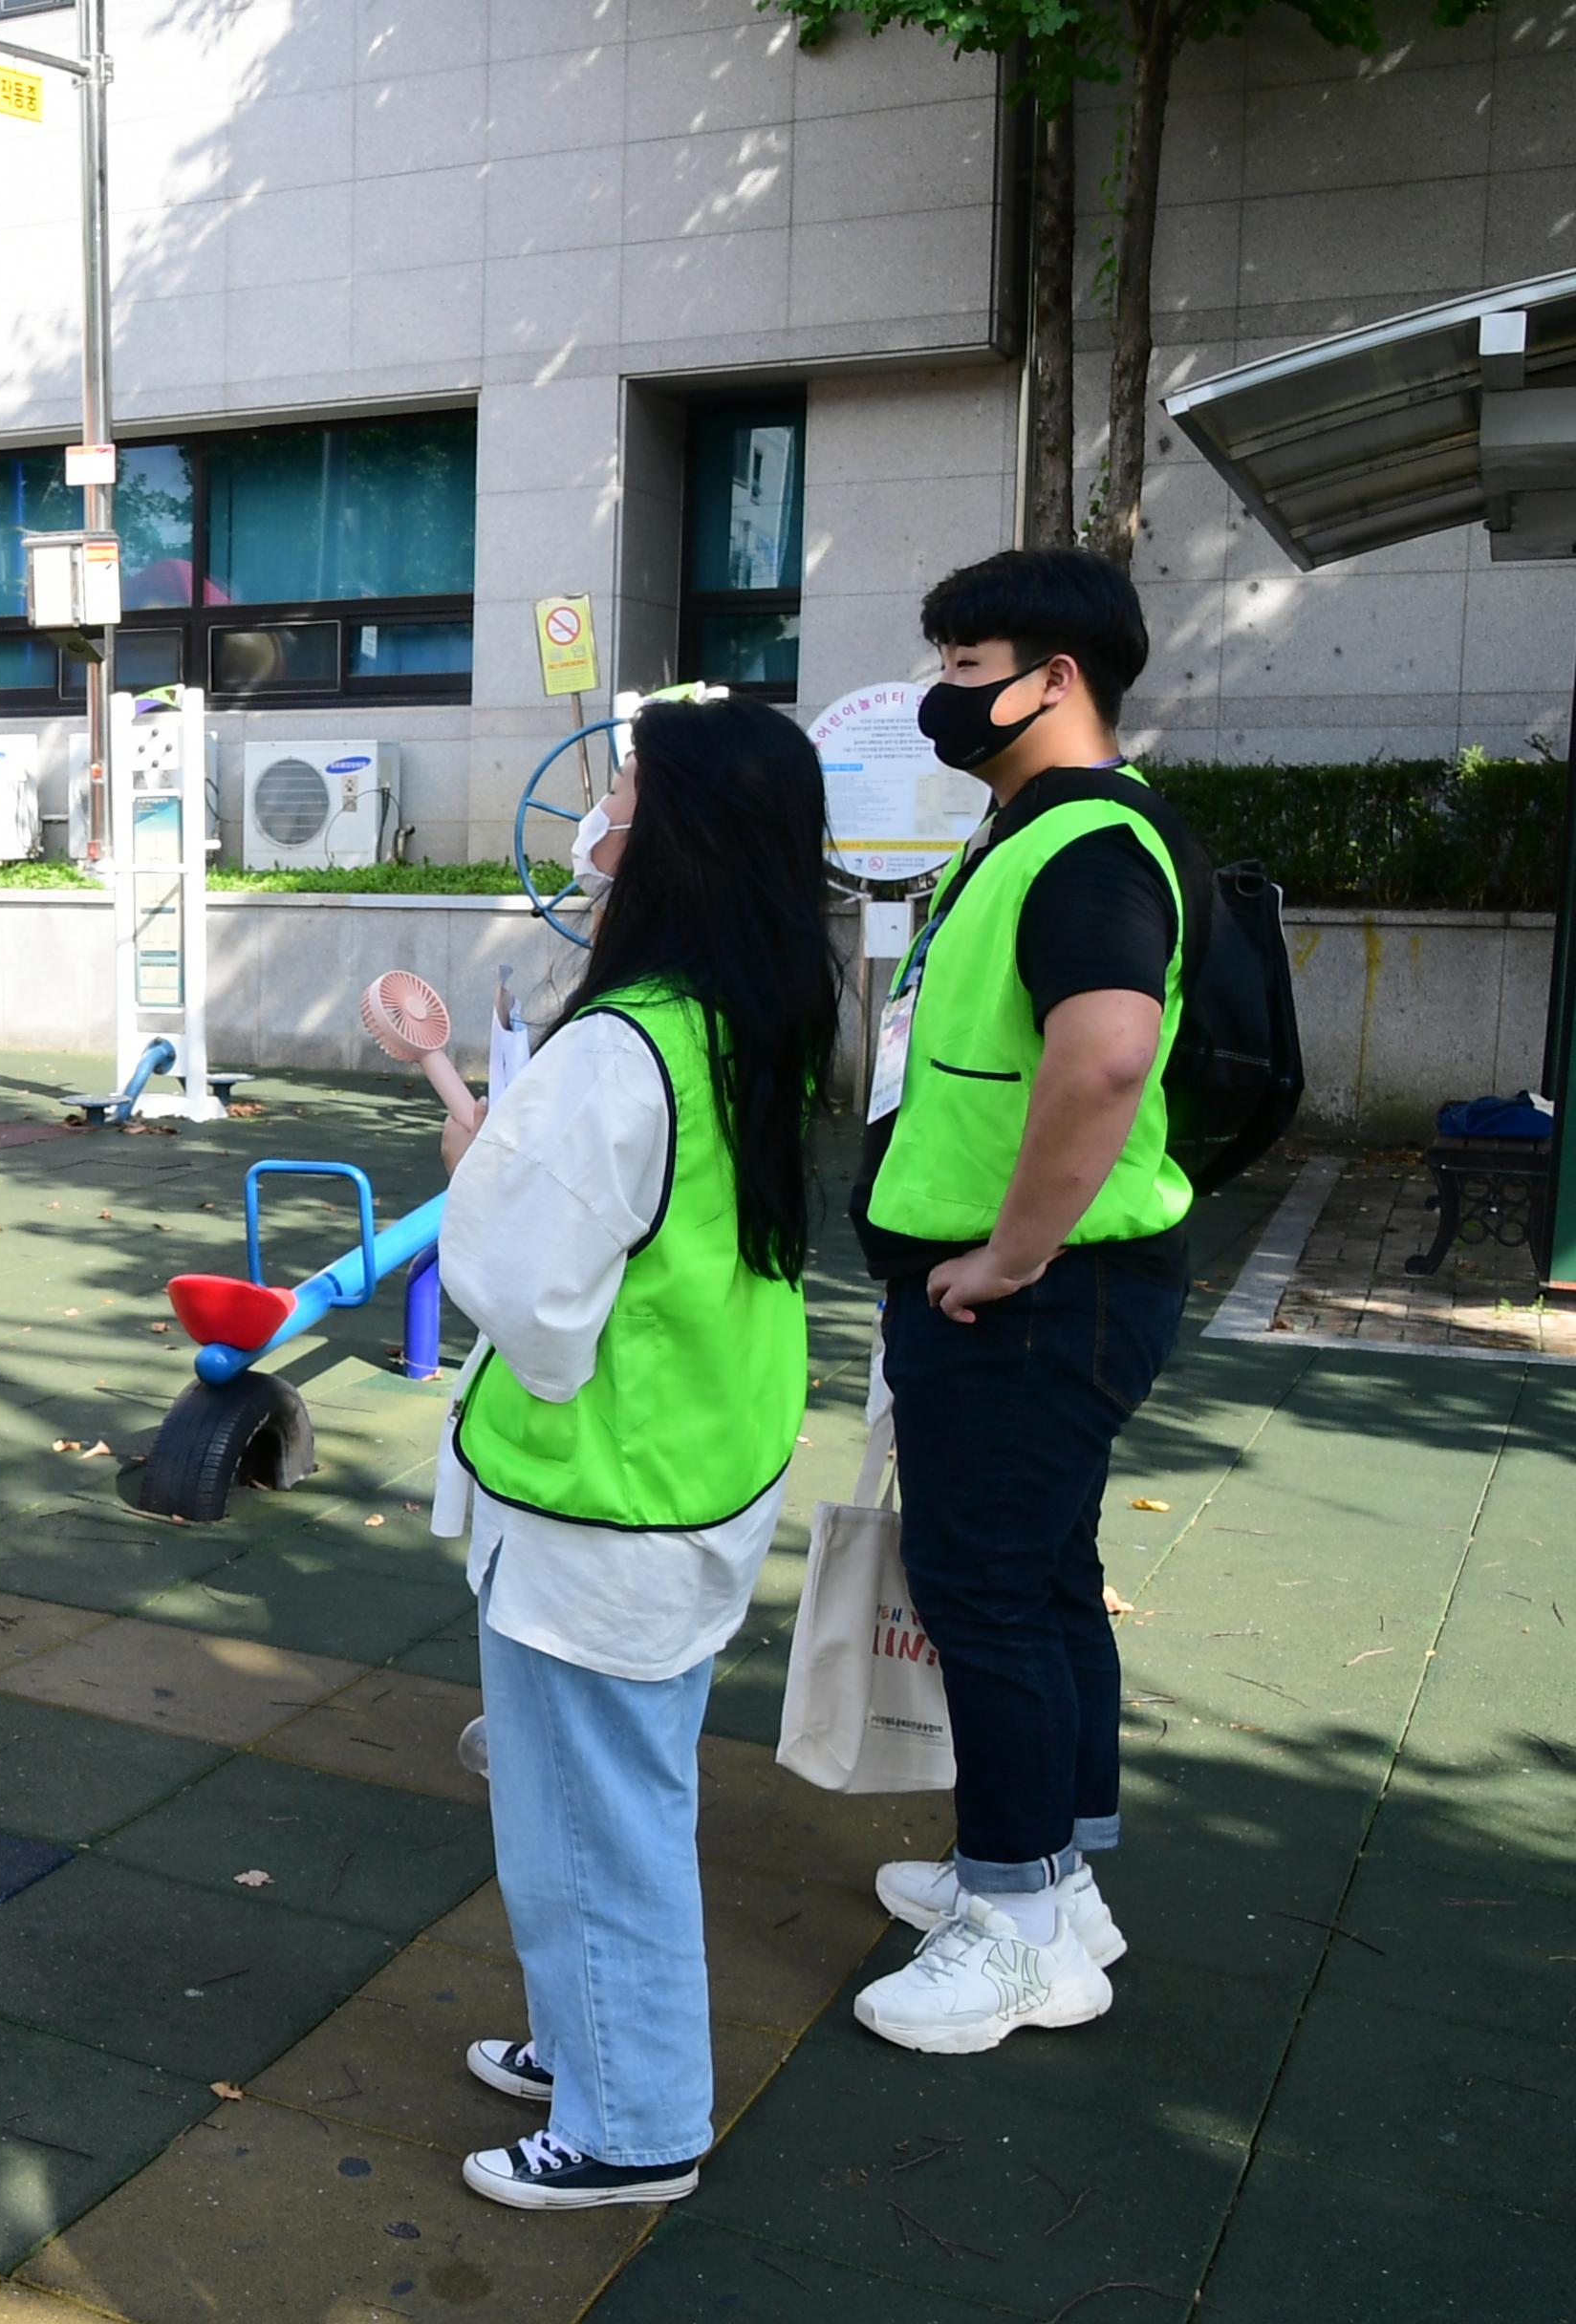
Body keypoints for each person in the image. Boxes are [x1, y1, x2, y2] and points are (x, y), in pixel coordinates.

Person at [429, 697, 841, 2209]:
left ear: (667, 838)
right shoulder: (762, 1007)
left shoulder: (628, 1043)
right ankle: (581, 2042)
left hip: (602, 1498)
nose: (592, 829)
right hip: (692, 1474)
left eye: (616, 800)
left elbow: (526, 1291)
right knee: (584, 1799)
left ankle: (634, 2123)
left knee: (596, 1819)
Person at [852, 548, 1205, 2054]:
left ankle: (1014, 1930)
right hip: (1057, 1291)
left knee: (986, 1591)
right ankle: (1057, 1879)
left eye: (968, 660)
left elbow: (1110, 1052)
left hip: (1036, 1299)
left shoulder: (1086, 848)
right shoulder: (1034, 834)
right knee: (1047, 1579)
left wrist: (1007, 1255)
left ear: (1058, 678)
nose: (947, 688)